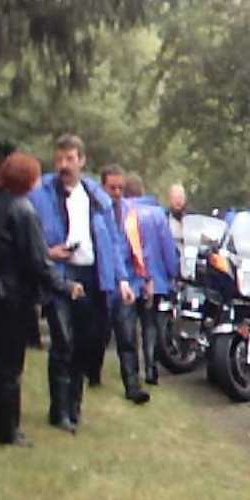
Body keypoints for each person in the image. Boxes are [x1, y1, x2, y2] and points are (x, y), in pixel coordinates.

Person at [0, 152, 84, 445]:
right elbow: (38, 261)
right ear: (28, 180)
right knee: (10, 367)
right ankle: (7, 430)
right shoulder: (23, 210)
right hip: (11, 296)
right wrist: (65, 286)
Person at [28, 134, 138, 432]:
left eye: (69, 159)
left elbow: (113, 241)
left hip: (92, 276)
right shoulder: (41, 195)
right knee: (63, 341)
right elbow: (29, 234)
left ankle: (74, 406)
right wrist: (47, 252)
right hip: (60, 275)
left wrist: (122, 279)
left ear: (82, 161)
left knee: (86, 343)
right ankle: (59, 411)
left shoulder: (96, 198)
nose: (63, 165)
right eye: (59, 159)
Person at [99, 164, 153, 404]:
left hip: (127, 283)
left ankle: (132, 385)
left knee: (128, 336)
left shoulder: (130, 214)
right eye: (112, 188)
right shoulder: (95, 212)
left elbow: (140, 248)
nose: (117, 192)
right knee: (98, 335)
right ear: (103, 186)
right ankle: (92, 373)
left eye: (120, 188)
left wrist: (145, 278)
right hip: (102, 282)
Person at [122, 174, 179, 385]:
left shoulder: (121, 212)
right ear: (142, 191)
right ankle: (151, 368)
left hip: (128, 280)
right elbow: (167, 248)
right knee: (150, 325)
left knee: (128, 326)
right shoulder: (157, 214)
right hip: (154, 280)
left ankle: (131, 371)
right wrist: (173, 273)